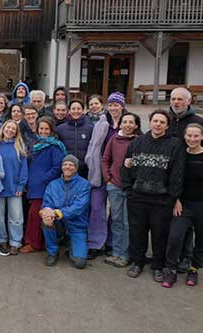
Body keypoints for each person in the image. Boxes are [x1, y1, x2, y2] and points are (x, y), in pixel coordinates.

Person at [122, 110, 185, 282]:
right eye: (155, 121)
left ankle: (158, 265)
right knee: (137, 232)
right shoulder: (137, 142)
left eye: (162, 122)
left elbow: (177, 174)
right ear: (150, 123)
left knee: (160, 234)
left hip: (161, 199)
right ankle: (138, 262)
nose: (157, 124)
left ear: (167, 125)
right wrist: (129, 189)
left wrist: (172, 197)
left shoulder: (175, 145)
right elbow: (126, 166)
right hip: (137, 197)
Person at [162, 123, 203, 288]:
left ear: (202, 137)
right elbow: (172, 179)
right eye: (189, 135)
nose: (192, 139)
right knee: (175, 237)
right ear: (184, 136)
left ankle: (194, 269)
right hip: (183, 204)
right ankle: (171, 270)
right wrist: (175, 199)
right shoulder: (180, 155)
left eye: (196, 136)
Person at [85, 92, 127, 258]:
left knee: (116, 212)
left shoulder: (128, 123)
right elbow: (93, 146)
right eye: (111, 105)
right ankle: (96, 243)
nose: (113, 108)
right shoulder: (102, 124)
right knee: (96, 208)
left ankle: (111, 242)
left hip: (118, 176)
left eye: (116, 105)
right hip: (100, 174)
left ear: (122, 106)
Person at [101, 113, 142, 267]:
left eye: (131, 122)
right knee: (116, 220)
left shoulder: (140, 141)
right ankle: (116, 252)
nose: (127, 124)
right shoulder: (114, 139)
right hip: (114, 185)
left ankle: (125, 254)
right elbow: (105, 159)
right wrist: (108, 178)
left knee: (127, 222)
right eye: (125, 122)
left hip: (132, 187)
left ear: (136, 125)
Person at [22, 117, 65, 254]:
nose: (44, 131)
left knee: (34, 215)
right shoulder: (35, 144)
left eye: (47, 129)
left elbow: (57, 167)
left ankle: (32, 243)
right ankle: (40, 242)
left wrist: (43, 179)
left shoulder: (55, 146)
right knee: (36, 215)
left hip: (44, 187)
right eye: (41, 128)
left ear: (51, 130)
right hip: (32, 185)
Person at [40, 155, 91, 269]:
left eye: (71, 165)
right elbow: (47, 203)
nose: (67, 167)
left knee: (80, 263)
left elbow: (79, 207)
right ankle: (53, 252)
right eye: (65, 164)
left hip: (77, 225)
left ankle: (71, 247)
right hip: (58, 223)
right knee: (46, 222)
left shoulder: (85, 184)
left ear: (76, 168)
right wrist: (46, 212)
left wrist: (57, 213)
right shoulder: (53, 184)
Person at [0, 121, 29, 255]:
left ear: (16, 132)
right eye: (8, 127)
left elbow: (24, 169)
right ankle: (2, 239)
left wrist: (21, 185)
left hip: (14, 187)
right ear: (3, 128)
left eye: (13, 129)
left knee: (16, 217)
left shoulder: (19, 147)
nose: (10, 130)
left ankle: (15, 242)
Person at [168, 87, 203, 156]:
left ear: (189, 101)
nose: (176, 102)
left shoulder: (200, 123)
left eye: (180, 99)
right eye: (173, 99)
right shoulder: (164, 121)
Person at [56, 100, 93, 178]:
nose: (76, 111)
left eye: (78, 109)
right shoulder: (60, 129)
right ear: (69, 111)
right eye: (73, 109)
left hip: (84, 170)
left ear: (83, 110)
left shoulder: (90, 128)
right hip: (66, 170)